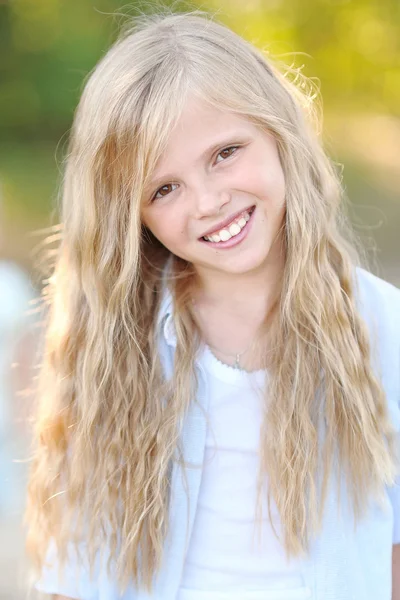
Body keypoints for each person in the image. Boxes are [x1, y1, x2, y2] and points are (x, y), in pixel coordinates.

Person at [24, 9, 400, 600]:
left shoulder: (383, 329)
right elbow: (74, 568)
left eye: (225, 153)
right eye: (164, 189)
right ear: (133, 217)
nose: (208, 201)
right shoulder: (115, 349)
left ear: (278, 129)